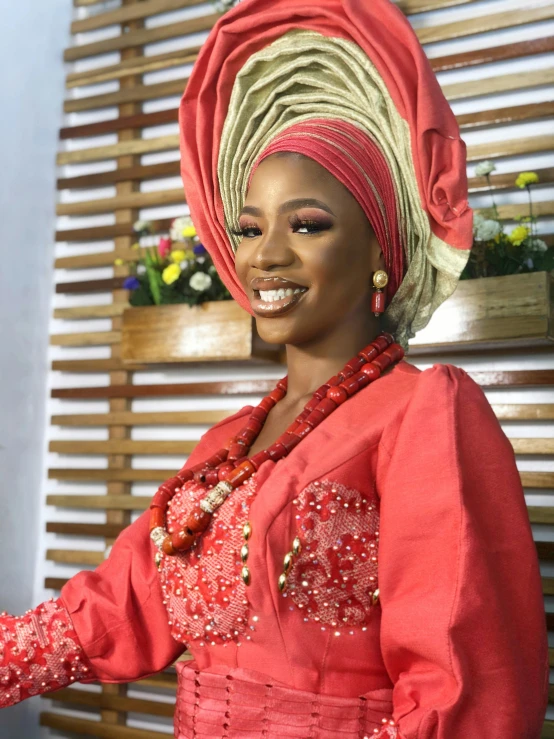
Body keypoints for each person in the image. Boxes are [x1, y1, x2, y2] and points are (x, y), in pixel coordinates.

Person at [1, 0, 548, 736]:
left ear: (382, 247)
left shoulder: (426, 412)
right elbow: (112, 610)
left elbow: (463, 691)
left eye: (308, 224)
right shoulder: (225, 448)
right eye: (251, 228)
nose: (265, 255)